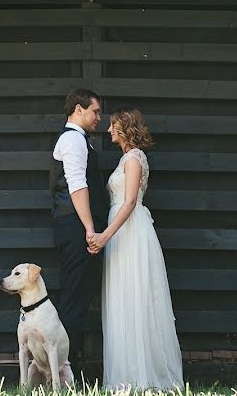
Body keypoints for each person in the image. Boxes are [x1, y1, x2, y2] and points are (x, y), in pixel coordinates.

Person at [86, 108, 183, 390]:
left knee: (136, 296)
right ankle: (126, 373)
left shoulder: (133, 158)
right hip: (120, 232)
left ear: (126, 128)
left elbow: (129, 203)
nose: (109, 130)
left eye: (114, 125)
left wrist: (104, 236)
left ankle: (143, 374)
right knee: (123, 296)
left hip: (129, 231)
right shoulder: (126, 158)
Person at [50, 88, 109, 376]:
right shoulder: (73, 139)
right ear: (78, 109)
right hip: (76, 226)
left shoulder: (79, 140)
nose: (100, 117)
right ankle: (63, 370)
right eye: (95, 111)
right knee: (74, 296)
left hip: (76, 225)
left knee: (80, 293)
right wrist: (89, 228)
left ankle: (66, 366)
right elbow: (76, 184)